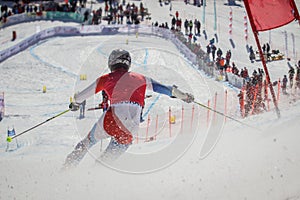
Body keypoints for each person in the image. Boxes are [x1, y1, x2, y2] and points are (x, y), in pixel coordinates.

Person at [64, 49, 194, 168]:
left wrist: (75, 103)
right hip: (131, 127)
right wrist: (184, 96)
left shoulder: (106, 78)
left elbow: (80, 97)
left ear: (111, 62)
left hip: (113, 117)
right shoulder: (141, 78)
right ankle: (90, 181)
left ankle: (66, 170)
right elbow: (166, 89)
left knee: (87, 143)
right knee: (104, 162)